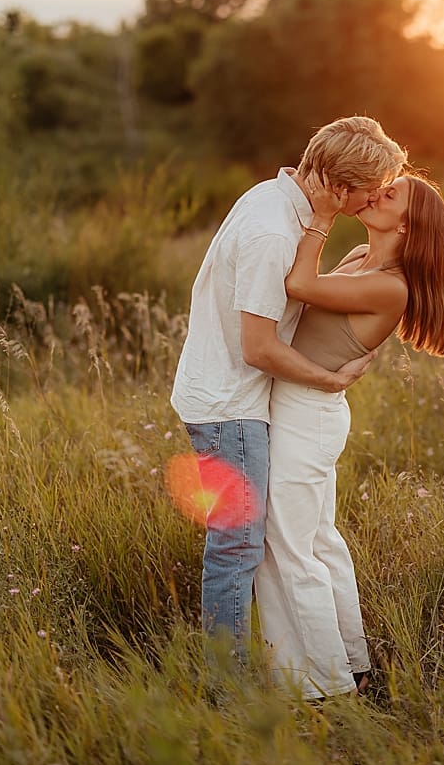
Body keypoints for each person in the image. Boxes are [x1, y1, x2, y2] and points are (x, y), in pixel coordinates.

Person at [171, 116, 407, 661]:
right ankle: (226, 684)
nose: (375, 199)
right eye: (369, 190)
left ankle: (331, 661)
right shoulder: (275, 230)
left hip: (237, 396)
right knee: (237, 546)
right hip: (231, 405)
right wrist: (329, 380)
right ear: (341, 188)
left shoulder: (277, 202)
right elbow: (259, 347)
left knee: (275, 541)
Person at [254, 171, 444, 700]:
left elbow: (298, 286)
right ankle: (352, 665)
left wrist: (322, 215)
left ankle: (323, 684)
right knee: (319, 542)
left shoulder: (389, 285)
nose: (377, 193)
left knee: (289, 546)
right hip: (304, 407)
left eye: (390, 194)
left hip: (309, 414)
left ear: (407, 225)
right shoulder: (357, 263)